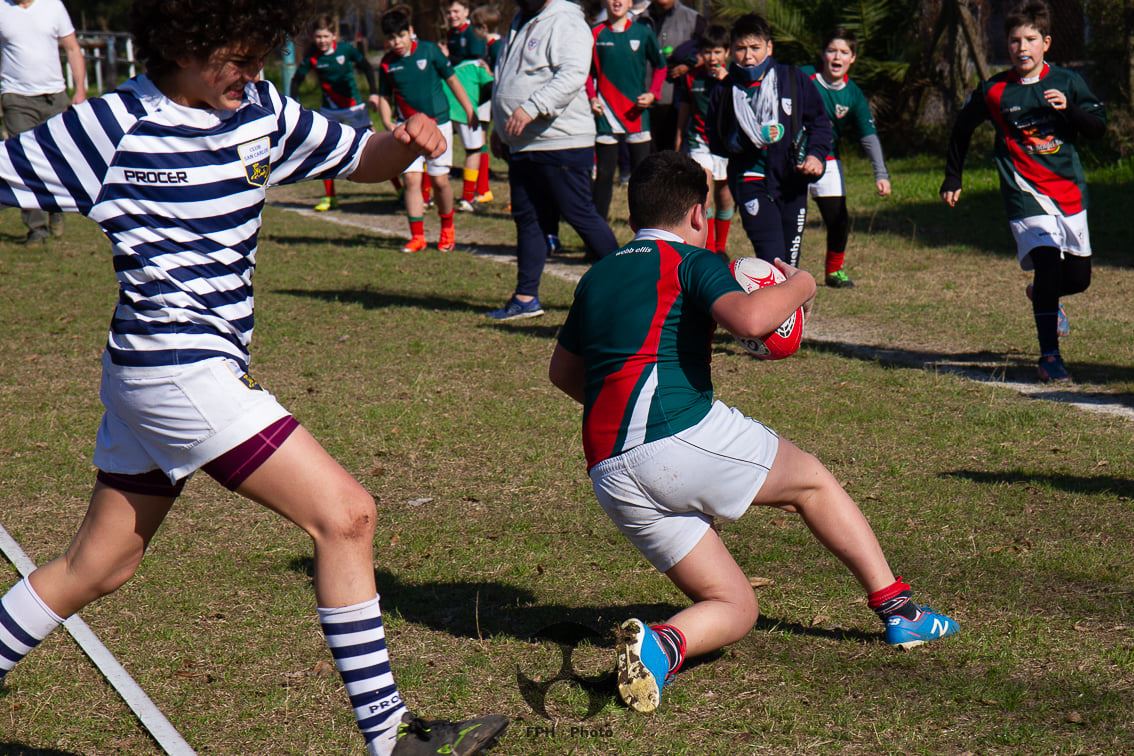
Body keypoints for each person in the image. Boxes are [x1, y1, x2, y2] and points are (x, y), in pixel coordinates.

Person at [0, 1, 508, 753]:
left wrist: (404, 144)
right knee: (346, 515)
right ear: (182, 48)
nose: (253, 73)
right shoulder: (108, 126)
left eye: (259, 55)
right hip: (174, 368)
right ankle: (393, 738)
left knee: (96, 565)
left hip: (165, 374)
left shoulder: (262, 107)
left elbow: (359, 158)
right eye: (236, 60)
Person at [548, 151, 959, 715]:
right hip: (677, 433)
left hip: (609, 469)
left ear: (634, 211)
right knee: (813, 483)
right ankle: (900, 611)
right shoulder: (692, 260)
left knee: (736, 606)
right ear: (699, 213)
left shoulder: (598, 275)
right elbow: (750, 319)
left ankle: (661, 647)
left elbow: (563, 373)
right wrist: (803, 283)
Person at [941, 0, 1105, 384]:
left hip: (1068, 191)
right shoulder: (995, 90)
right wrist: (952, 177)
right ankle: (1050, 357)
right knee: (1047, 262)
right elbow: (962, 128)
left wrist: (1070, 111)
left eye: (1030, 39)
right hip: (1024, 192)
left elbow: (1098, 128)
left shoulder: (1067, 82)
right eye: (1015, 41)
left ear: (1046, 43)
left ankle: (1043, 294)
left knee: (1078, 278)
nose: (1022, 48)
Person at [488, 0, 618, 320]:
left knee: (579, 214)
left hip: (561, 140)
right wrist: (499, 128)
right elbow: (506, 78)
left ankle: (632, 286)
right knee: (528, 218)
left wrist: (532, 108)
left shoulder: (566, 20)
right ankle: (525, 297)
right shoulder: (520, 19)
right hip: (523, 142)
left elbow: (572, 74)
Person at [707, 13, 832, 268]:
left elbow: (819, 123)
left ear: (769, 47)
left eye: (755, 47)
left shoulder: (792, 79)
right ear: (731, 51)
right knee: (772, 258)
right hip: (749, 179)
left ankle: (790, 296)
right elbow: (716, 141)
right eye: (741, 48)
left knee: (791, 262)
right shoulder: (724, 90)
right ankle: (774, 294)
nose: (748, 56)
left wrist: (815, 156)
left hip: (791, 180)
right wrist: (741, 139)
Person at [378, 6, 475, 253]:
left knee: (439, 180)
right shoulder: (387, 64)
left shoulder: (429, 51)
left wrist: (468, 109)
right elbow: (383, 97)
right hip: (407, 129)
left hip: (437, 125)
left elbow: (452, 80)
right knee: (411, 179)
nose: (396, 42)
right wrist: (388, 122)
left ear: (410, 31)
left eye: (401, 35)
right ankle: (417, 236)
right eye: (391, 38)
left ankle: (447, 229)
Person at [801, 28, 892, 288]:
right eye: (832, 51)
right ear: (823, 54)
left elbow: (868, 136)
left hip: (828, 160)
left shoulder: (853, 94)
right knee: (791, 220)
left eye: (843, 52)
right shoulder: (804, 77)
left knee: (839, 220)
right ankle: (782, 268)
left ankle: (834, 271)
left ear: (852, 58)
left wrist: (881, 174)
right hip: (793, 160)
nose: (837, 57)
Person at [0, 0, 86, 244]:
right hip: (16, 97)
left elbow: (72, 48)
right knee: (22, 162)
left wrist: (80, 89)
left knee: (56, 160)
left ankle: (55, 209)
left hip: (54, 97)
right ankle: (37, 229)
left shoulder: (53, 6)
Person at [291, 14, 382, 213]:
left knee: (373, 147)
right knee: (325, 151)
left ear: (334, 35)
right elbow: (296, 80)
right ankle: (330, 197)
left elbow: (367, 67)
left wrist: (374, 93)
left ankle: (398, 188)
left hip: (354, 109)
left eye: (325, 36)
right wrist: (294, 103)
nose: (322, 41)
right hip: (329, 111)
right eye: (318, 37)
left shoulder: (345, 50)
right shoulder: (313, 56)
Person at [587, 0, 666, 221]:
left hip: (636, 115)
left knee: (642, 175)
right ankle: (598, 229)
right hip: (606, 114)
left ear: (631, 2)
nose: (617, 2)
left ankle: (645, 226)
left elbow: (661, 66)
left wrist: (653, 93)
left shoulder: (643, 32)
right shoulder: (595, 33)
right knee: (604, 174)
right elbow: (586, 72)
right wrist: (592, 98)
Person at [674, 24, 733, 257]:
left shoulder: (734, 78)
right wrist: (679, 137)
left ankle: (721, 247)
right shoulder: (691, 77)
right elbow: (685, 109)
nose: (712, 57)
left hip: (727, 145)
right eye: (707, 52)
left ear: (727, 52)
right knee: (704, 193)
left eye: (717, 52)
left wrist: (727, 83)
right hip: (699, 141)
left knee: (725, 196)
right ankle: (708, 248)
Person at [639, 0, 705, 152]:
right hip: (642, 101)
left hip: (676, 103)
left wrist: (689, 65)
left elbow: (709, 51)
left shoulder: (693, 19)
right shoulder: (639, 20)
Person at [470, 4, 503, 205]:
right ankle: (482, 187)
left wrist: (488, 72)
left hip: (492, 99)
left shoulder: (497, 46)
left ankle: (483, 188)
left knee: (481, 140)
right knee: (479, 140)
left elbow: (502, 74)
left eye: (475, 26)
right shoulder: (489, 45)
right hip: (486, 98)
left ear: (483, 27)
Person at [446, 0, 487, 66]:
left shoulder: (474, 32)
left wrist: (447, 56)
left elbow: (475, 62)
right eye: (448, 12)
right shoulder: (451, 33)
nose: (452, 15)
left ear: (466, 12)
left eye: (456, 11)